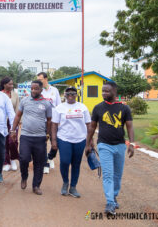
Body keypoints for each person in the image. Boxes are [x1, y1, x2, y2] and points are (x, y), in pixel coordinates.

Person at [85, 81, 135, 216]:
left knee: (117, 175)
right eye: (103, 91)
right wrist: (88, 144)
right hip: (104, 145)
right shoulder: (98, 108)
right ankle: (110, 203)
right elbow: (92, 128)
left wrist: (132, 144)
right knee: (107, 174)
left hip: (119, 146)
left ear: (114, 92)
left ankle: (113, 196)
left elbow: (129, 127)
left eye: (107, 91)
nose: (104, 93)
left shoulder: (124, 108)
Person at [10, 80, 52, 195]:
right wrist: (13, 130)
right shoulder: (25, 101)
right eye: (32, 88)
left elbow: (49, 120)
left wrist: (47, 134)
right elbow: (18, 115)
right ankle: (24, 176)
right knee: (23, 158)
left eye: (36, 89)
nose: (33, 91)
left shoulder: (46, 103)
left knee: (39, 162)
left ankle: (36, 185)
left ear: (41, 90)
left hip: (40, 137)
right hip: (26, 136)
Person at [51, 87, 91, 198]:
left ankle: (73, 187)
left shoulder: (82, 107)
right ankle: (65, 182)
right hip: (64, 139)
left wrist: (90, 141)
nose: (70, 95)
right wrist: (54, 140)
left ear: (76, 95)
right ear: (64, 95)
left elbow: (89, 125)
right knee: (64, 161)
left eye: (73, 93)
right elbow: (54, 124)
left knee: (76, 164)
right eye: (68, 93)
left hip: (80, 139)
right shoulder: (59, 108)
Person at [37, 72, 61, 174]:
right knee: (42, 143)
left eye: (41, 79)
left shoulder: (54, 91)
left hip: (53, 121)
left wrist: (60, 120)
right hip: (42, 121)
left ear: (46, 79)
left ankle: (50, 157)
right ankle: (45, 163)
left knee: (55, 143)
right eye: (38, 79)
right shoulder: (38, 91)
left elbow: (59, 106)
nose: (39, 81)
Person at [0, 77, 20, 172]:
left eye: (12, 84)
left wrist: (18, 121)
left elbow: (18, 108)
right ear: (4, 84)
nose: (11, 86)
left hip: (13, 121)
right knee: (4, 142)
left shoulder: (15, 95)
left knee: (13, 141)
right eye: (9, 84)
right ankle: (6, 162)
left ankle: (13, 159)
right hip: (2, 121)